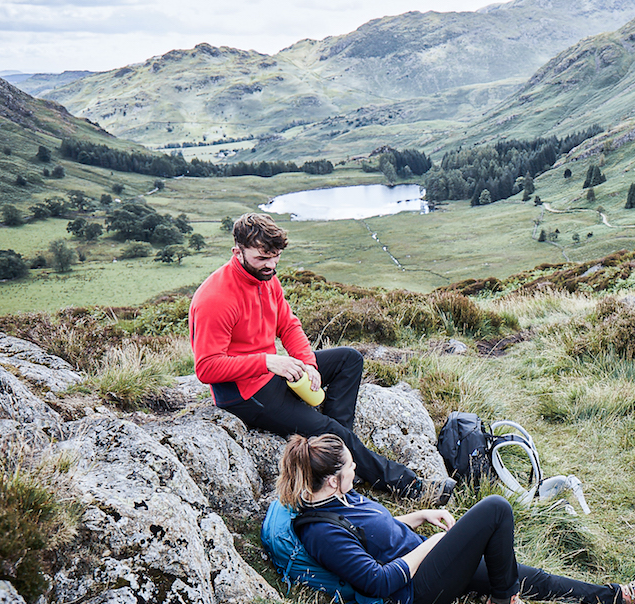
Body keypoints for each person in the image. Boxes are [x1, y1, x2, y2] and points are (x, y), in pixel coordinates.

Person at [189, 212, 453, 504]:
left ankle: (333, 454)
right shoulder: (215, 298)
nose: (271, 265)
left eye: (276, 257)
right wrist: (267, 362)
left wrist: (310, 365)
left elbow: (288, 325)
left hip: (273, 374)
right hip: (245, 394)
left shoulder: (266, 280)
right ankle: (411, 487)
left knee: (349, 360)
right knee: (331, 429)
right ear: (236, 251)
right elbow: (206, 368)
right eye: (263, 258)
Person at [276, 433, 635, 604]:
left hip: (425, 561)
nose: (355, 469)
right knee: (495, 509)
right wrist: (436, 545)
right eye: (348, 467)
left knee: (521, 575)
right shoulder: (320, 532)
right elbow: (376, 581)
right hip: (412, 596)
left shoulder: (337, 497)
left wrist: (418, 517)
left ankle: (615, 600)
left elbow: (374, 537)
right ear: (330, 481)